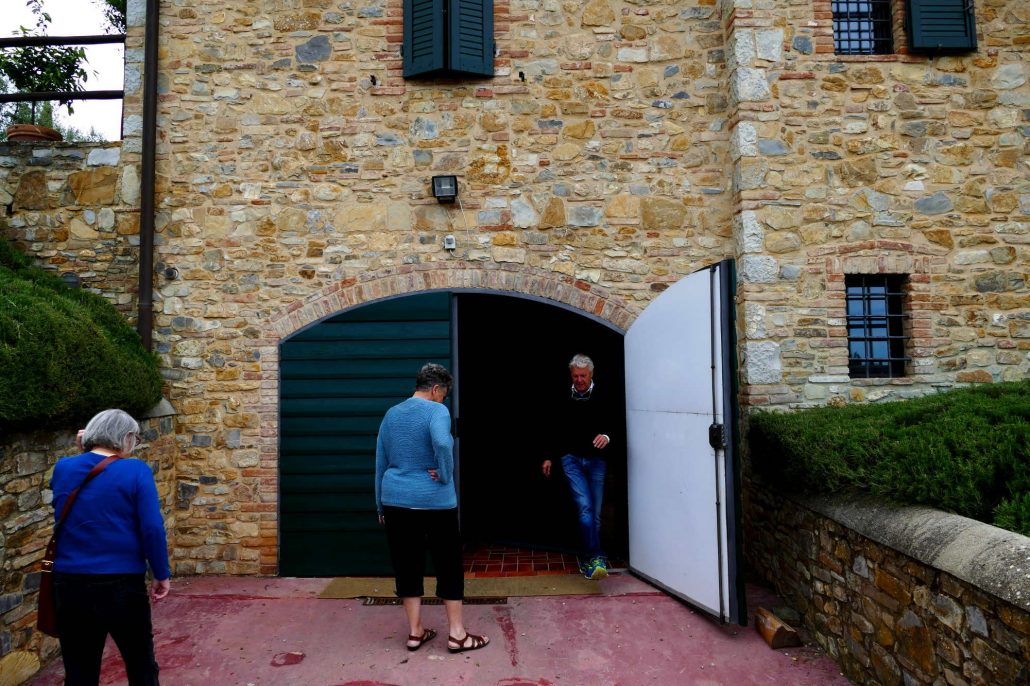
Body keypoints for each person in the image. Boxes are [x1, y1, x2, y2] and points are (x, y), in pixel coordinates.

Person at [50, 408, 171, 686]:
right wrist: (160, 573)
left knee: (80, 668)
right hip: (121, 584)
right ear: (127, 437)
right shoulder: (136, 471)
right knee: (140, 663)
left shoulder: (64, 467)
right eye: (135, 439)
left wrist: (84, 448)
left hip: (70, 584)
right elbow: (151, 528)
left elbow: (79, 479)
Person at [375, 363, 489, 654]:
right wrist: (446, 473)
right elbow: (442, 441)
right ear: (436, 389)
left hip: (396, 499)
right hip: (434, 501)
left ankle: (415, 633)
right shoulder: (436, 410)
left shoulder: (392, 413)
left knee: (407, 563)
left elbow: (380, 461)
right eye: (444, 395)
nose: (443, 401)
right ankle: (457, 634)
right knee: (448, 564)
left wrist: (380, 504)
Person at [542, 354, 617, 580]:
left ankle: (588, 560)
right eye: (575, 376)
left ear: (591, 374)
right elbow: (551, 426)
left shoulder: (606, 394)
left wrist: (607, 436)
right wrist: (548, 456)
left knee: (595, 511)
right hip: (571, 458)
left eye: (583, 376)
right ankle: (596, 556)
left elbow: (617, 422)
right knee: (584, 506)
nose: (579, 380)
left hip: (597, 460)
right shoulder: (562, 395)